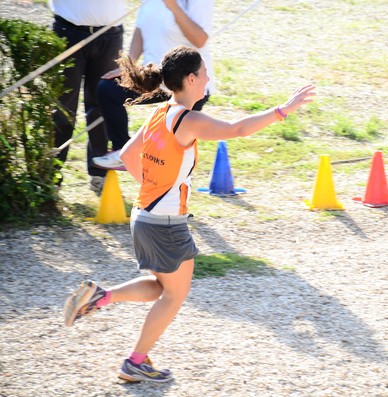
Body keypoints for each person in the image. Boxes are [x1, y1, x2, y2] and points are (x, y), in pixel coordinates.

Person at [63, 45, 316, 383]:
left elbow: (126, 154)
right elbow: (238, 129)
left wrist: (152, 186)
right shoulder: (188, 119)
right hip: (164, 221)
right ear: (192, 78)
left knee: (161, 286)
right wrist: (283, 111)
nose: (209, 77)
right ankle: (135, 361)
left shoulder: (160, 113)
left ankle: (101, 297)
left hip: (145, 215)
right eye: (205, 72)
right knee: (175, 295)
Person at [92, 0, 215, 171]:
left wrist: (173, 6)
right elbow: (140, 29)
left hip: (188, 84)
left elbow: (200, 39)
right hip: (156, 77)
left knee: (168, 157)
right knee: (108, 89)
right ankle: (123, 152)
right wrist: (129, 67)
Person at [49, 0, 126, 194]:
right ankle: (51, 174)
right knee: (62, 106)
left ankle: (99, 173)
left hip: (110, 33)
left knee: (102, 103)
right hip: (68, 30)